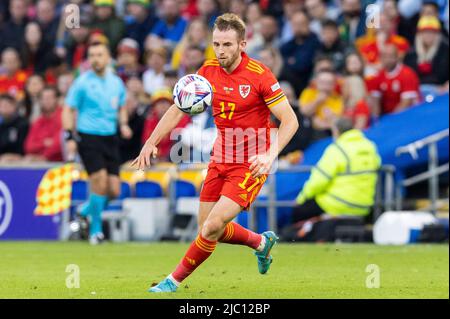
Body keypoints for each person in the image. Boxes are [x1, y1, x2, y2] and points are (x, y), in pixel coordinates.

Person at [133, 13, 299, 293]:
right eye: (217, 44)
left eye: (227, 45)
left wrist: (270, 155)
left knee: (212, 227)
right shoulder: (207, 71)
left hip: (251, 163)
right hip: (220, 158)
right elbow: (177, 108)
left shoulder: (260, 76)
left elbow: (290, 120)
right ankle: (260, 242)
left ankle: (172, 281)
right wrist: (151, 141)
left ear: (242, 44)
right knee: (208, 230)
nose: (221, 51)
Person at [63, 42, 132, 245]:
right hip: (88, 136)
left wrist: (124, 124)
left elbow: (121, 106)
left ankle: (84, 211)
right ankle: (96, 231)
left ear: (108, 57)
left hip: (110, 138)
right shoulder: (82, 82)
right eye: (92, 55)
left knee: (114, 191)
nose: (95, 59)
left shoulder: (116, 82)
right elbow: (68, 109)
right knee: (99, 181)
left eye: (99, 54)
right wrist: (69, 136)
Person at [292, 117, 380, 226]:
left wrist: (301, 199)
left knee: (299, 211)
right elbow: (377, 165)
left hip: (337, 204)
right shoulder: (370, 146)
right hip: (364, 206)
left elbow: (318, 181)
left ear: (336, 131)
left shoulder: (337, 149)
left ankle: (296, 238)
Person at [368, 44, 421, 117]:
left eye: (391, 56)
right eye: (384, 56)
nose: (387, 60)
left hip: (409, 115)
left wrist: (392, 119)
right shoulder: (377, 76)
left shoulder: (407, 74)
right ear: (380, 58)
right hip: (387, 116)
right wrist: (376, 120)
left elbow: (406, 102)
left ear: (397, 57)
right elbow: (375, 101)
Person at [404, 15, 449, 91]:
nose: (428, 35)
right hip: (417, 90)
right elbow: (407, 75)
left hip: (441, 91)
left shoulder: (446, 51)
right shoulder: (411, 53)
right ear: (419, 34)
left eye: (432, 32)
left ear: (438, 34)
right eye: (425, 32)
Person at [299, 70, 344, 140]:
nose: (325, 86)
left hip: (329, 133)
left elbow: (336, 119)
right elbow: (303, 112)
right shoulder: (308, 93)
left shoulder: (337, 98)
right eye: (322, 82)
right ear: (316, 82)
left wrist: (323, 123)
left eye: (329, 83)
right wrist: (317, 101)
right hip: (309, 133)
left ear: (334, 84)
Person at [24, 86, 63, 162]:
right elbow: (28, 146)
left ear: (57, 99)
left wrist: (44, 157)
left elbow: (59, 145)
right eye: (43, 98)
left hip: (61, 164)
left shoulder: (63, 117)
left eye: (49, 98)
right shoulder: (38, 121)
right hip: (40, 163)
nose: (46, 101)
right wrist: (44, 143)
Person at [0, 93, 29, 162]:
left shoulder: (23, 124)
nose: (4, 108)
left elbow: (23, 146)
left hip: (19, 160)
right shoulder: (1, 124)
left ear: (14, 106)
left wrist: (15, 156)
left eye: (6, 105)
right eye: (1, 105)